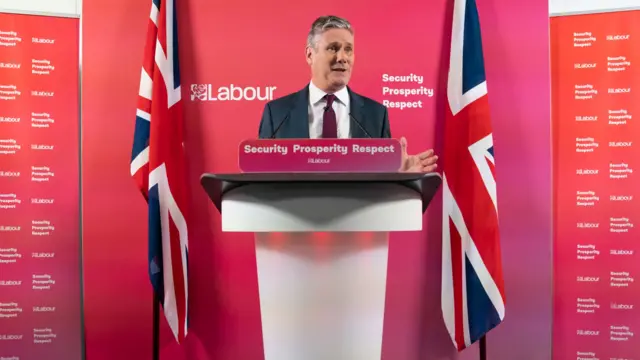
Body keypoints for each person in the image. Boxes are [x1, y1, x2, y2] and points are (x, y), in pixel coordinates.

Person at [257, 15, 438, 173]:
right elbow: (261, 176)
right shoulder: (277, 113)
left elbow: (381, 184)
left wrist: (396, 175)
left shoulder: (376, 115)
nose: (342, 57)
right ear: (309, 54)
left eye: (348, 49)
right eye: (333, 48)